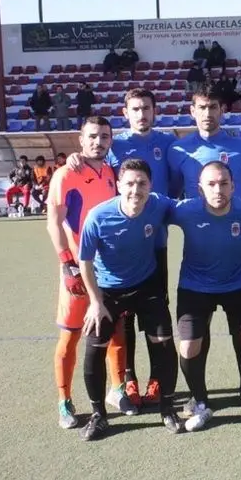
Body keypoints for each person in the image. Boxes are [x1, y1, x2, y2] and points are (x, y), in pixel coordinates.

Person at [68, 88, 174, 409]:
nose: (142, 114)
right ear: (126, 113)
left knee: (155, 316)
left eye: (146, 108)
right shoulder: (115, 145)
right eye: (135, 109)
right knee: (123, 321)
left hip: (155, 242)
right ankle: (129, 378)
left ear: (155, 111)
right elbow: (94, 159)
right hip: (119, 241)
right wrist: (77, 157)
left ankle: (156, 379)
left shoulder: (169, 142)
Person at [168, 82, 241, 407]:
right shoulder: (178, 150)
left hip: (237, 248)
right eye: (202, 107)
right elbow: (172, 196)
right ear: (192, 111)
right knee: (196, 329)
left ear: (223, 110)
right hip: (198, 249)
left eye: (214, 107)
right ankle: (199, 398)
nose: (208, 113)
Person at [78, 159, 182, 440]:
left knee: (164, 343)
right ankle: (99, 415)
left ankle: (167, 408)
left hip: (146, 286)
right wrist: (95, 302)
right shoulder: (98, 216)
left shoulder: (158, 204)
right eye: (130, 184)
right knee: (94, 347)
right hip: (108, 291)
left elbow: (188, 209)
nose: (136, 190)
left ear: (151, 186)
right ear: (119, 185)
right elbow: (85, 261)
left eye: (142, 183)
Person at [173, 161, 241, 431]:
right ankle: (200, 402)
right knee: (189, 346)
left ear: (233, 186)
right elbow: (152, 209)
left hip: (237, 284)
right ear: (200, 189)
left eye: (223, 184)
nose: (218, 189)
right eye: (211, 184)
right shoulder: (185, 210)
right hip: (195, 286)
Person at [46, 116, 132, 429]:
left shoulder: (111, 173)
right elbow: (53, 222)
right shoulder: (66, 174)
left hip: (110, 267)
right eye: (92, 136)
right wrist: (67, 263)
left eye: (104, 137)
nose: (98, 142)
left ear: (111, 140)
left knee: (116, 329)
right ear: (81, 140)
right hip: (77, 267)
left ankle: (117, 389)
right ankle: (64, 400)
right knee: (71, 335)